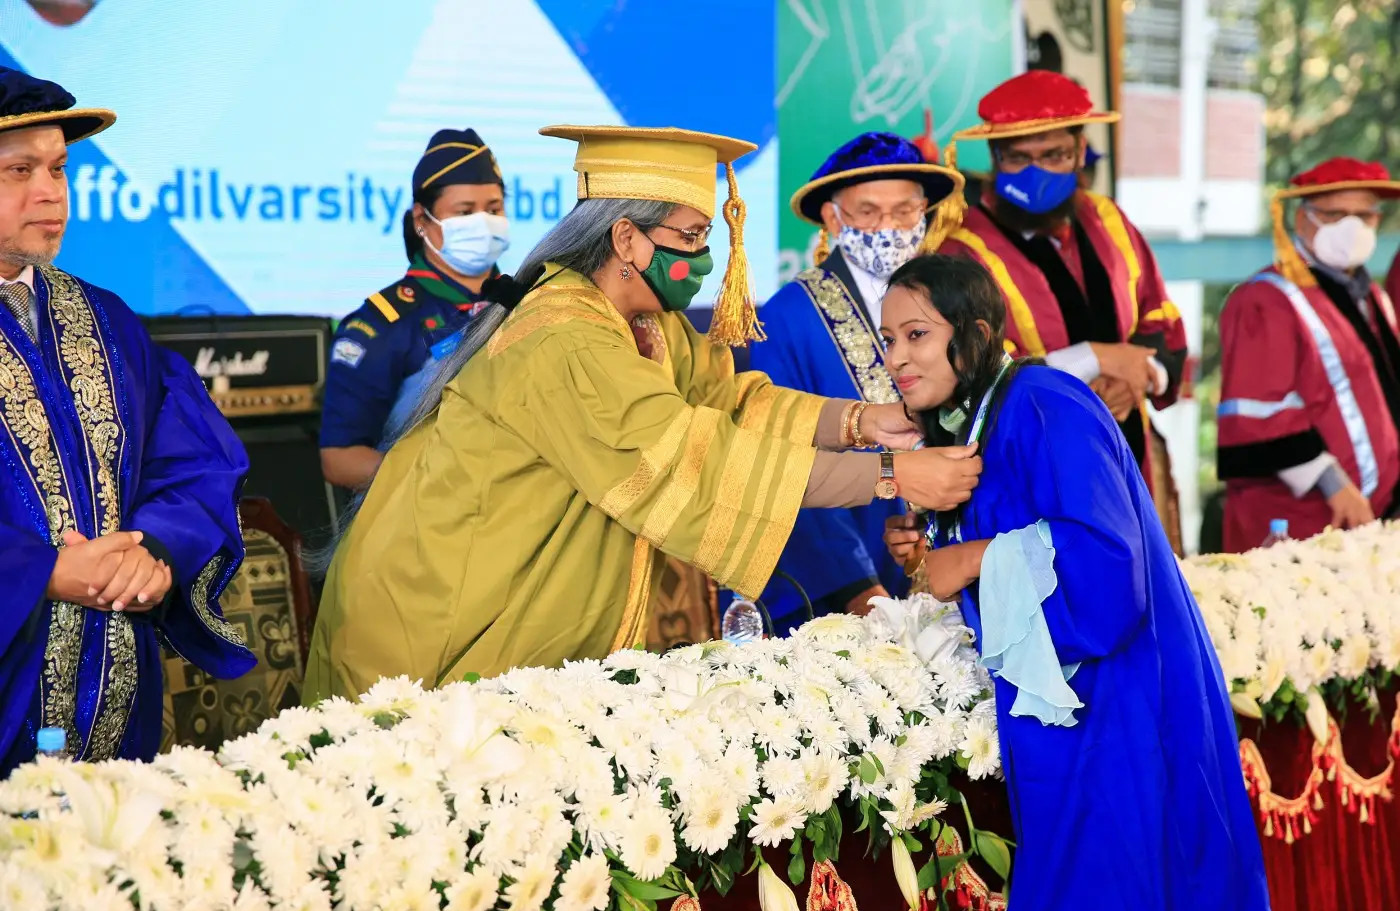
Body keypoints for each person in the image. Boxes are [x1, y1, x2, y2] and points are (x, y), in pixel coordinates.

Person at [304, 124, 984, 701]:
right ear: (626, 238)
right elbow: (695, 458)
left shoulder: (647, 323)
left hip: (510, 601)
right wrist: (891, 474)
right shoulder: (566, 336)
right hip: (444, 612)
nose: (705, 256)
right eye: (690, 235)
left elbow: (728, 402)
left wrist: (861, 422)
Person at [880, 255, 1276, 911]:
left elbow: (1107, 565)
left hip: (1121, 705)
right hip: (1066, 714)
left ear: (975, 334)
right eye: (889, 339)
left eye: (917, 335)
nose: (897, 358)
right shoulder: (972, 422)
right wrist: (929, 552)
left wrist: (969, 559)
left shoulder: (1045, 402)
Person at [0, 68, 254, 773]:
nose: (51, 192)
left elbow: (192, 462)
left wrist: (154, 551)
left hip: (120, 714)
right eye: (19, 170)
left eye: (58, 168)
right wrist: (43, 571)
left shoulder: (106, 319)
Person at [744, 131, 964, 633]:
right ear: (832, 217)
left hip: (955, 563)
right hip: (850, 585)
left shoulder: (955, 299)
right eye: (868, 212)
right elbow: (780, 456)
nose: (888, 228)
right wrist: (857, 589)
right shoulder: (787, 319)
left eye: (905, 211)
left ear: (925, 212)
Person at [939, 71, 1187, 486]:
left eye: (1054, 155)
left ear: (1080, 151)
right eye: (1018, 157)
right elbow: (971, 378)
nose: (1036, 173)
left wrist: (1139, 378)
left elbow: (1157, 314)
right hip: (1031, 471)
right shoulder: (959, 251)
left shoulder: (1107, 219)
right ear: (995, 156)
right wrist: (1093, 358)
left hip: (1126, 458)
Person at [1217, 158, 1400, 551]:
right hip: (1301, 522)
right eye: (1335, 215)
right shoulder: (1266, 299)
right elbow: (1257, 413)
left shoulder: (1373, 298)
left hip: (1371, 523)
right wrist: (1333, 483)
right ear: (1302, 221)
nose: (1352, 227)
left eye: (1364, 216)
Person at [319, 128, 509, 490]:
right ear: (422, 221)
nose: (483, 223)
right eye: (465, 212)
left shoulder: (528, 302)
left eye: (494, 209)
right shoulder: (381, 325)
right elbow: (340, 459)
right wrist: (438, 482)